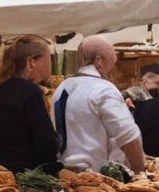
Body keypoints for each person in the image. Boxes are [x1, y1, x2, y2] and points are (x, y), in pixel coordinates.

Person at [51, 35, 145, 174]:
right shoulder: (103, 89)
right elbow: (129, 136)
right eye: (111, 65)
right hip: (92, 177)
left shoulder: (62, 87)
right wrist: (140, 174)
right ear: (98, 61)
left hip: (62, 172)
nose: (112, 71)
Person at [0, 35, 61, 173]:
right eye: (48, 58)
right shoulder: (31, 93)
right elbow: (46, 145)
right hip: (24, 179)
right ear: (32, 61)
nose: (50, 64)